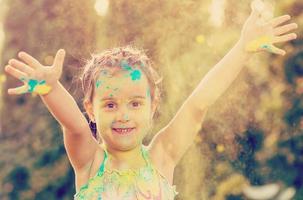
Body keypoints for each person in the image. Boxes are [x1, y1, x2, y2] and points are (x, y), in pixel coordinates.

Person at [3, 1, 298, 199]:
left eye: (135, 103)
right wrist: (50, 90)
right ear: (91, 110)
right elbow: (75, 127)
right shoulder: (90, 161)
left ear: (152, 106)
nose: (123, 115)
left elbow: (198, 105)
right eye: (109, 104)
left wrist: (242, 50)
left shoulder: (162, 155)